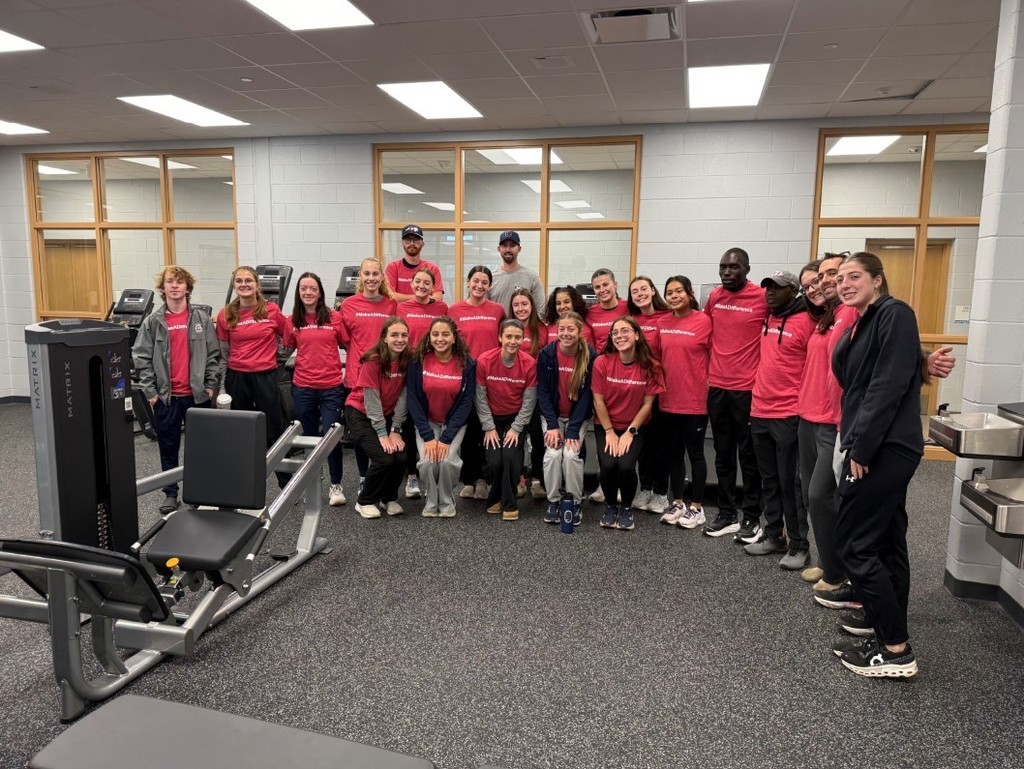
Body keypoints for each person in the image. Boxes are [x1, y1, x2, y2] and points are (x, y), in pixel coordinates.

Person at [829, 252, 924, 679]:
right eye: (841, 278)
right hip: (875, 443)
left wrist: (862, 450)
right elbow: (876, 373)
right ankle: (887, 626)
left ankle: (896, 651)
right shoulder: (863, 320)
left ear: (877, 280)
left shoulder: (895, 312)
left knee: (854, 543)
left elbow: (886, 384)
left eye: (855, 276)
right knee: (885, 541)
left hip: (882, 448)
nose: (845, 283)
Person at [742, 271, 816, 570]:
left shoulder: (808, 322)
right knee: (768, 479)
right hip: (759, 410)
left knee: (790, 483)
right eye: (768, 288)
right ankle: (774, 535)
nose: (770, 293)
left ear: (795, 291)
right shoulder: (768, 319)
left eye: (778, 288)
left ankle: (800, 544)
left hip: (788, 414)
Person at [133, 266, 220, 515]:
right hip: (166, 398)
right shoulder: (153, 322)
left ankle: (199, 492)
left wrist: (211, 386)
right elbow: (141, 357)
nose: (174, 286)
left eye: (180, 282)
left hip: (197, 396)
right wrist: (151, 392)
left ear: (188, 288)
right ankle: (171, 493)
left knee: (200, 447)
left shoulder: (201, 319)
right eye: (170, 282)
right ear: (163, 288)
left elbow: (214, 355)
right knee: (168, 447)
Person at [703, 247, 768, 538]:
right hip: (717, 387)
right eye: (723, 267)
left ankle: (751, 516)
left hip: (747, 390)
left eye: (733, 267)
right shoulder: (715, 297)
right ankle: (726, 512)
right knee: (723, 453)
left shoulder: (762, 298)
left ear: (747, 269)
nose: (727, 272)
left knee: (748, 455)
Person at [216, 266, 289, 484]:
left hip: (265, 376)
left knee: (274, 429)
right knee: (241, 430)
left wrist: (277, 357)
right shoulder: (226, 314)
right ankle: (242, 481)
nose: (244, 284)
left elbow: (289, 337)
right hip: (237, 377)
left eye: (248, 280)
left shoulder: (271, 310)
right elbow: (224, 350)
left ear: (257, 284)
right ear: (234, 285)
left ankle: (285, 481)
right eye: (239, 281)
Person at [592, 316, 665, 531]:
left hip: (635, 426)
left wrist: (630, 432)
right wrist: (610, 432)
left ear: (636, 335)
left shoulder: (652, 366)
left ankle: (626, 508)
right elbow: (598, 400)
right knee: (607, 466)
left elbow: (647, 404)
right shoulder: (602, 362)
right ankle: (611, 506)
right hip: (606, 425)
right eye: (615, 332)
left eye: (625, 331)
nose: (619, 336)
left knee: (625, 466)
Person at [283, 272, 348, 507]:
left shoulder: (334, 317)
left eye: (312, 288)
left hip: (331, 387)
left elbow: (347, 344)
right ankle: (312, 480)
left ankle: (336, 484)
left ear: (320, 291)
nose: (308, 292)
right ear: (298, 293)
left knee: (331, 437)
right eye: (304, 289)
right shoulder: (293, 320)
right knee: (309, 438)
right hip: (303, 387)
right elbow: (288, 347)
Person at [654, 276, 712, 530]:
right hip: (668, 400)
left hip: (695, 400)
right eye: (669, 292)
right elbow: (656, 358)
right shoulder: (662, 321)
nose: (674, 296)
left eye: (679, 291)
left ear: (689, 294)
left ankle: (697, 507)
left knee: (696, 454)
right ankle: (677, 502)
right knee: (674, 455)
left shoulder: (704, 321)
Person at [406, 316, 476, 518]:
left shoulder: (467, 364)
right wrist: (428, 437)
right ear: (429, 337)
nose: (440, 338)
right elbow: (413, 400)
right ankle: (431, 499)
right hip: (426, 422)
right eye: (435, 334)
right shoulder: (418, 361)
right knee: (427, 462)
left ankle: (446, 500)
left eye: (445, 334)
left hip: (454, 423)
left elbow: (465, 404)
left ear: (454, 337)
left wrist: (446, 438)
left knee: (446, 461)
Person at [345, 317, 411, 519]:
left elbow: (403, 397)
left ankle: (388, 497)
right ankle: (364, 501)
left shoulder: (408, 360)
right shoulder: (373, 360)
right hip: (361, 414)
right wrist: (383, 434)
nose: (399, 339)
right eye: (394, 335)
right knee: (383, 459)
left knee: (401, 456)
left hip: (389, 415)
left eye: (403, 335)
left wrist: (396, 430)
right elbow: (371, 401)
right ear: (384, 338)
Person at [340, 257, 398, 485]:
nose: (371, 278)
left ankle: (381, 478)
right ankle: (364, 476)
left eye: (376, 274)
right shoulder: (349, 305)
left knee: (382, 433)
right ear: (361, 277)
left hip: (385, 379)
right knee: (362, 436)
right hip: (357, 379)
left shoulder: (391, 305)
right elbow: (346, 341)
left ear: (382, 277)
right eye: (367, 274)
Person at [449, 265, 505, 499]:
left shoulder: (498, 310)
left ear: (489, 286)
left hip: (490, 375)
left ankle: (483, 479)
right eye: (476, 281)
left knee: (485, 427)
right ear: (468, 282)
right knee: (468, 426)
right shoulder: (454, 310)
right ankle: (468, 479)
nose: (479, 285)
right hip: (464, 375)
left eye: (484, 282)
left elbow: (503, 339)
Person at [536, 312, 596, 526]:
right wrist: (552, 425)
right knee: (553, 454)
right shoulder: (546, 354)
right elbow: (542, 391)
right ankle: (554, 501)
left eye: (571, 329)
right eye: (562, 329)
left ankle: (573, 502)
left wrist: (572, 431)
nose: (566, 333)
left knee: (570, 455)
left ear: (580, 332)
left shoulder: (590, 355)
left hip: (576, 418)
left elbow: (588, 396)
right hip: (552, 417)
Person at [475, 319, 537, 521]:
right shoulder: (485, 360)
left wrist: (517, 429)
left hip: (514, 419)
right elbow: (480, 397)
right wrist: (489, 427)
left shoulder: (529, 364)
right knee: (495, 462)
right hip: (491, 418)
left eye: (517, 337)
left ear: (523, 339)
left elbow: (529, 402)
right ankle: (498, 495)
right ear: (500, 337)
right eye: (508, 336)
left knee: (510, 458)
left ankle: (507, 502)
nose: (513, 341)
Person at [396, 267, 449, 500]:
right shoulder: (402, 308)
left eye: (427, 283)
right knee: (408, 421)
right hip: (408, 369)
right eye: (418, 281)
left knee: (427, 417)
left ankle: (432, 470)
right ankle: (411, 476)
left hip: (432, 369)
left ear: (434, 287)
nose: (421, 286)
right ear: (411, 283)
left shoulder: (441, 308)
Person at [626, 275, 670, 512]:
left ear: (653, 291)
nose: (640, 293)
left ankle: (661, 493)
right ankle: (645, 488)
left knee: (659, 443)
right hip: (639, 390)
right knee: (643, 443)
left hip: (662, 389)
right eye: (635, 291)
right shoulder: (632, 320)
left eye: (644, 289)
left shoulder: (666, 317)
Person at [509, 288, 547, 500]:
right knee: (517, 439)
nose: (520, 308)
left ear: (531, 306)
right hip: (512, 393)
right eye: (516, 305)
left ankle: (537, 480)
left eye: (524, 304)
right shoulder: (507, 327)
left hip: (537, 394)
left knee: (538, 438)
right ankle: (518, 479)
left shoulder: (542, 329)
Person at [385, 224, 444, 302]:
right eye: (407, 240)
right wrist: (420, 297)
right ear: (402, 243)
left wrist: (403, 298)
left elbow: (438, 297)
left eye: (416, 239)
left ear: (422, 243)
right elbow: (390, 295)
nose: (412, 243)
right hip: (400, 313)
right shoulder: (393, 267)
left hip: (424, 313)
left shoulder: (432, 269)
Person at [488, 230, 545, 310]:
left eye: (512, 245)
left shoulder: (532, 277)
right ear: (499, 249)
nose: (508, 249)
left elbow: (540, 310)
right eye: (504, 245)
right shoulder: (490, 278)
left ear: (519, 249)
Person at [587, 268, 628, 352]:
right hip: (601, 362)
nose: (602, 290)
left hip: (625, 361)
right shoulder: (589, 313)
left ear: (615, 284)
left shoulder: (629, 307)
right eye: (597, 287)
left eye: (605, 284)